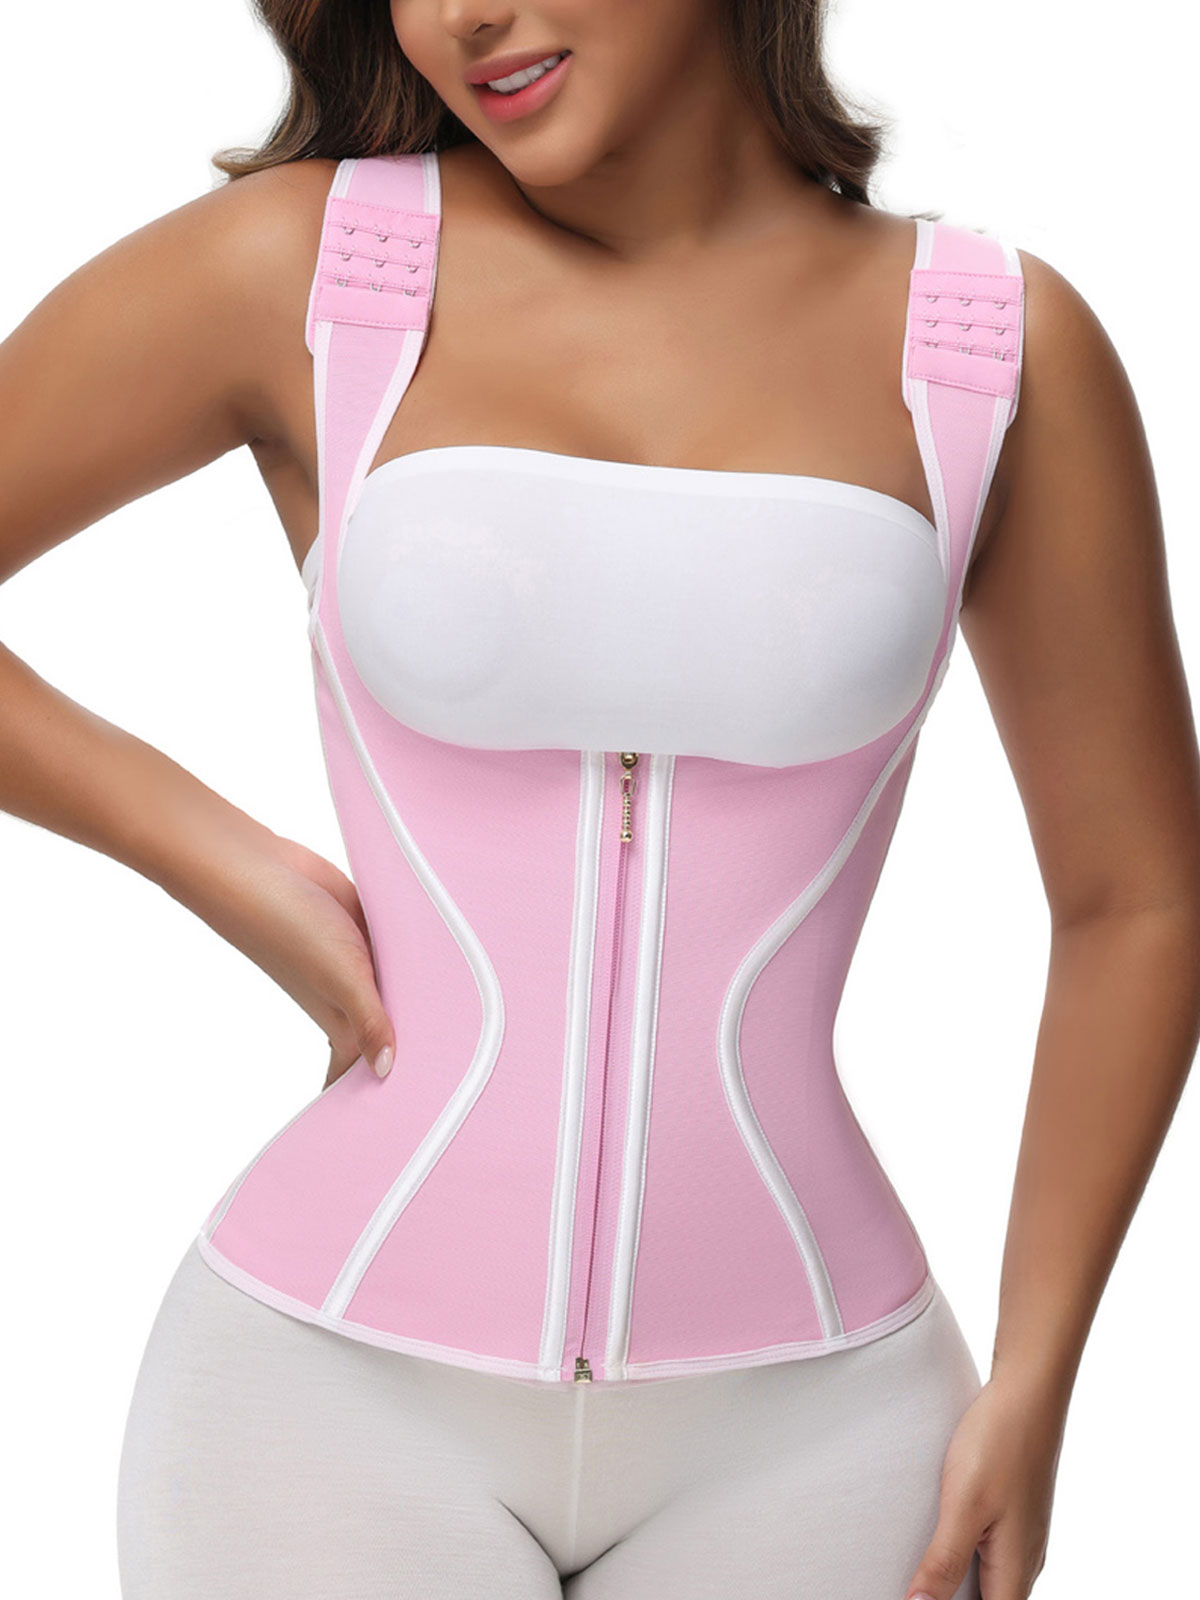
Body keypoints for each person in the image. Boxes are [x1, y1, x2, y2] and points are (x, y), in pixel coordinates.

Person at [1, 2, 1197, 1597]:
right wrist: (213, 858)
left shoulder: (986, 344)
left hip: (827, 1428)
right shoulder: (315, 273)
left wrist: (1038, 1379)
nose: (461, 16)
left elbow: (1136, 899)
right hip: (322, 1406)